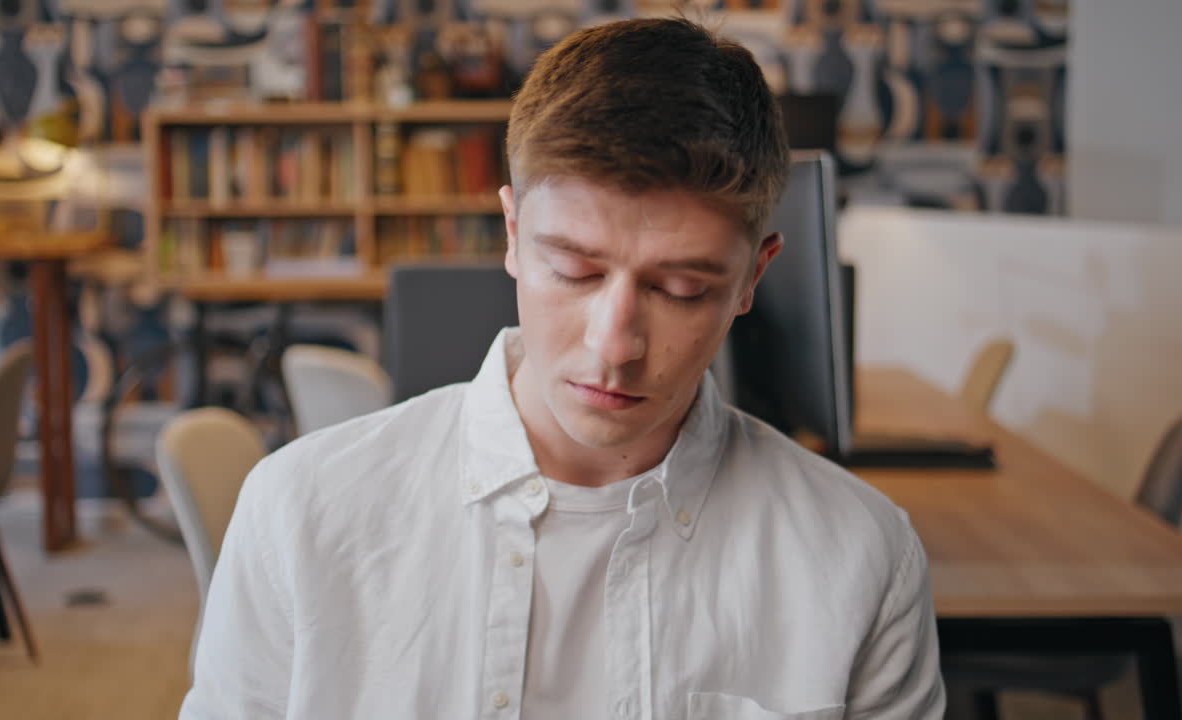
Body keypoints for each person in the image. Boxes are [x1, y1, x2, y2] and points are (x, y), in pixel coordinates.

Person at [181, 17, 945, 720]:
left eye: (681, 289)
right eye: (575, 271)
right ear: (513, 232)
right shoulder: (300, 513)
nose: (614, 346)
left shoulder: (862, 557)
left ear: (754, 277)